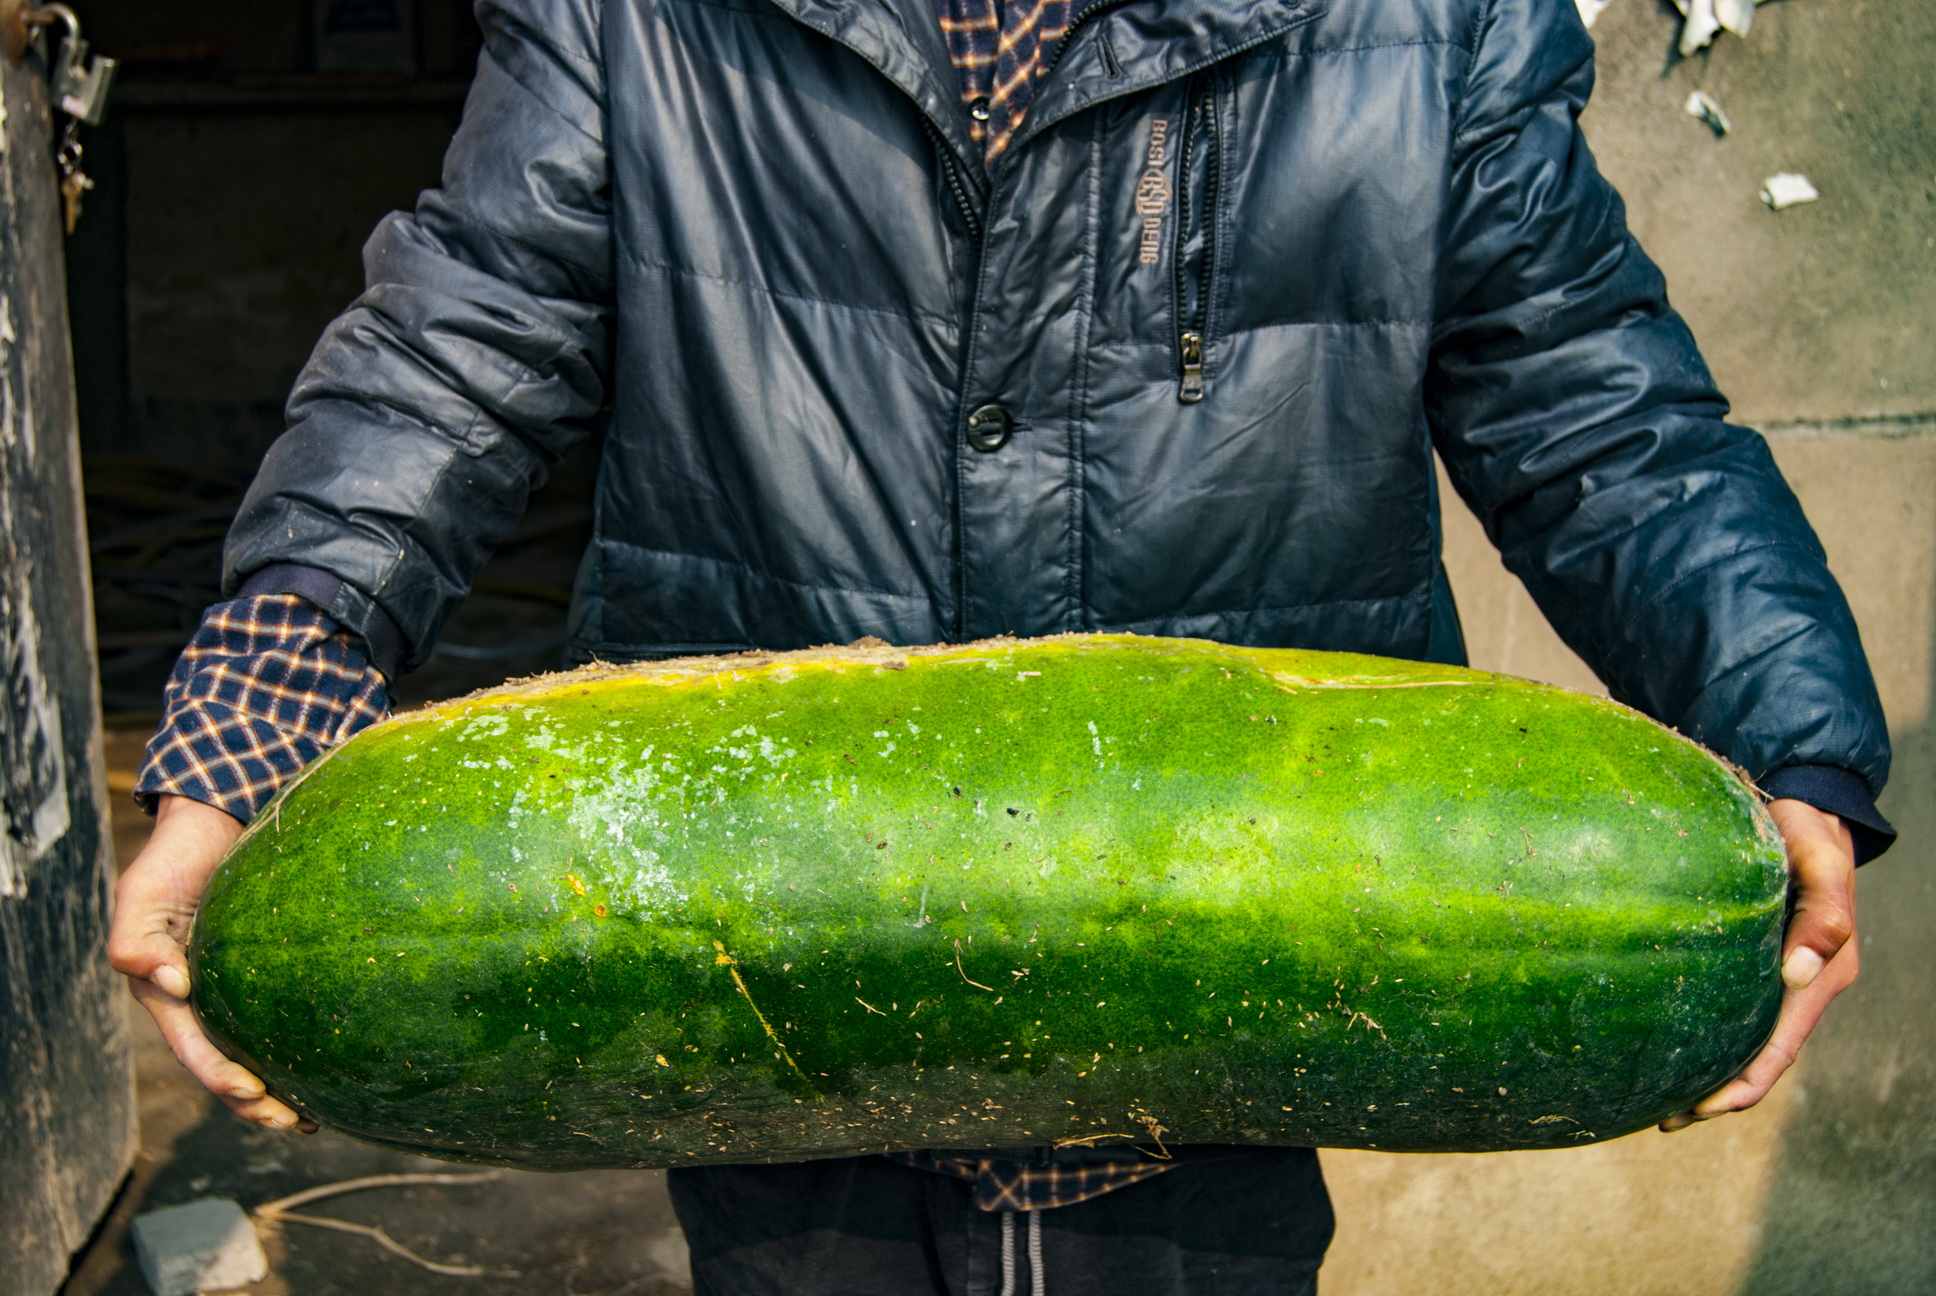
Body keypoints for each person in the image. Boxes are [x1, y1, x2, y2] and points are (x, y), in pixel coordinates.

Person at [109, 0, 1895, 1289]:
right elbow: (454, 345)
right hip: (767, 987)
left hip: (1230, 1008)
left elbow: (1597, 416)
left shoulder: (1423, 23)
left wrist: (1791, 744)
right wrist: (257, 716)